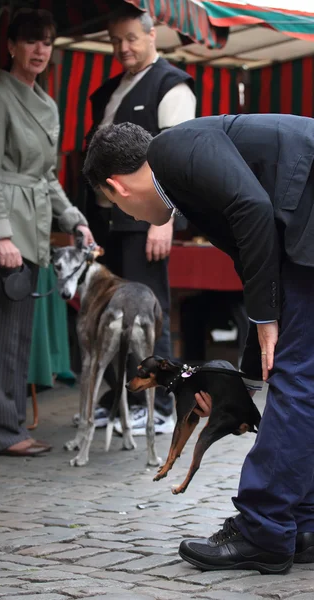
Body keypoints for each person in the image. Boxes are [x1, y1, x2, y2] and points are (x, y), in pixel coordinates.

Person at [83, 114, 314, 573]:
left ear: (117, 188)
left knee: (298, 378)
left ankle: (263, 529)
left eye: (115, 207)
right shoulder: (183, 175)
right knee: (298, 374)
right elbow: (255, 258)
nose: (126, 217)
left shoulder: (174, 149)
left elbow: (252, 209)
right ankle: (300, 523)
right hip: (303, 225)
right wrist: (243, 380)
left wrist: (268, 317)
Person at [0, 9, 94, 457]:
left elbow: (46, 177)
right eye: (31, 41)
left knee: (18, 337)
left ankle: (11, 424)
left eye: (47, 42)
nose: (40, 50)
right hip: (5, 230)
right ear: (12, 46)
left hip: (34, 229)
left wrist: (73, 218)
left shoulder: (46, 102)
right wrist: (0, 234)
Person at [81, 5, 196, 436]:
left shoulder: (173, 85)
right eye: (115, 40)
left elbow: (178, 158)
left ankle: (164, 404)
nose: (122, 47)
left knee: (149, 313)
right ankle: (124, 401)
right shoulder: (111, 88)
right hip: (107, 220)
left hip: (147, 218)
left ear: (153, 35)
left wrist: (165, 220)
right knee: (111, 316)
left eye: (130, 38)